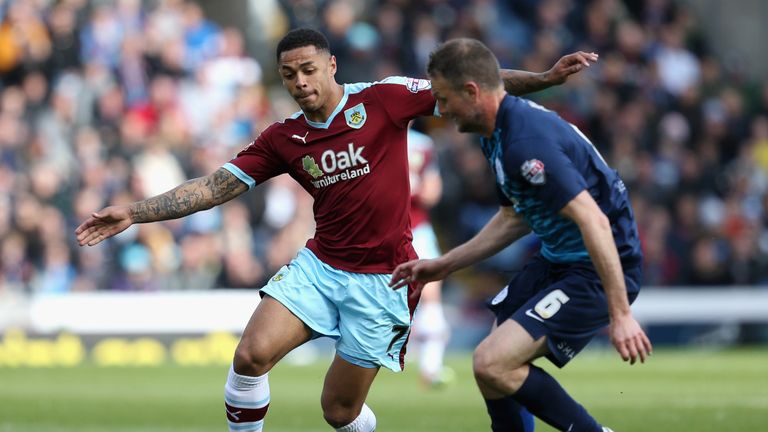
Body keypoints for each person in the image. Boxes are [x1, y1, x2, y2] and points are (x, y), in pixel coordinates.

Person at [75, 28, 597, 432]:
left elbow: (470, 85)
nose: (299, 83)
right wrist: (134, 213)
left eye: (307, 70)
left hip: (384, 280)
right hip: (320, 268)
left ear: (330, 65)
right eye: (287, 75)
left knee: (338, 411)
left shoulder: (385, 99)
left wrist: (546, 78)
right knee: (250, 355)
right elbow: (213, 187)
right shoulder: (283, 137)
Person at [390, 38, 652, 432]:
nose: (439, 111)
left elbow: (594, 220)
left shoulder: (524, 144)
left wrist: (621, 315)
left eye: (443, 99)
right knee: (491, 369)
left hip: (597, 266)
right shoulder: (495, 132)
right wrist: (443, 265)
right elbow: (514, 218)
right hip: (558, 258)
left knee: (492, 362)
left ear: (472, 92)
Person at [406, 126, 452, 387]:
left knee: (431, 290)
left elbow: (432, 192)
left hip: (411, 227)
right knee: (431, 292)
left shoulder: (422, 144)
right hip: (407, 227)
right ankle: (430, 366)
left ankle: (431, 366)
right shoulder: (422, 144)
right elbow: (433, 192)